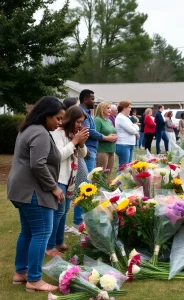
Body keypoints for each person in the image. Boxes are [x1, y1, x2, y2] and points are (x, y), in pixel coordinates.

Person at [7, 97, 65, 292]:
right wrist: (54, 187)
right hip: (33, 192)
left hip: (22, 190)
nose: (59, 123)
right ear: (45, 115)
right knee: (41, 233)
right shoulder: (39, 133)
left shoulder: (29, 129)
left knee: (28, 232)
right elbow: (37, 164)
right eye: (57, 118)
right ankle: (34, 279)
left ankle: (21, 272)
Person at [46, 106, 88, 258]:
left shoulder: (72, 134)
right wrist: (75, 141)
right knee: (57, 213)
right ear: (70, 119)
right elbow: (58, 156)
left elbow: (82, 154)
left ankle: (58, 242)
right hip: (58, 177)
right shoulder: (57, 133)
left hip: (70, 178)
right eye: (78, 121)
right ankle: (50, 246)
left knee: (64, 212)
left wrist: (81, 143)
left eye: (81, 122)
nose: (79, 125)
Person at [79, 89, 117, 172]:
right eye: (92, 99)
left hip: (95, 148)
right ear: (85, 99)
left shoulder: (88, 113)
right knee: (89, 178)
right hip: (90, 148)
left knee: (95, 176)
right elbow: (88, 131)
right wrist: (106, 138)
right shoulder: (82, 113)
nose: (94, 102)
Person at [94, 101, 117, 175]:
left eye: (110, 108)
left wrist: (116, 136)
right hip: (102, 151)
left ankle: (105, 187)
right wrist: (107, 138)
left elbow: (113, 132)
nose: (110, 110)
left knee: (107, 175)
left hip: (111, 150)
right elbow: (95, 135)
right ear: (102, 109)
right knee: (100, 175)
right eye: (108, 108)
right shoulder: (97, 120)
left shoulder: (109, 121)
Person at [116, 101, 139, 167]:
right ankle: (120, 177)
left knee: (129, 167)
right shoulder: (121, 117)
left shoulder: (126, 118)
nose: (130, 109)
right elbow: (131, 130)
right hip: (123, 144)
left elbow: (135, 127)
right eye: (129, 107)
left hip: (129, 144)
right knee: (123, 167)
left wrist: (135, 128)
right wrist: (135, 129)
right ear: (124, 108)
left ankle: (126, 177)